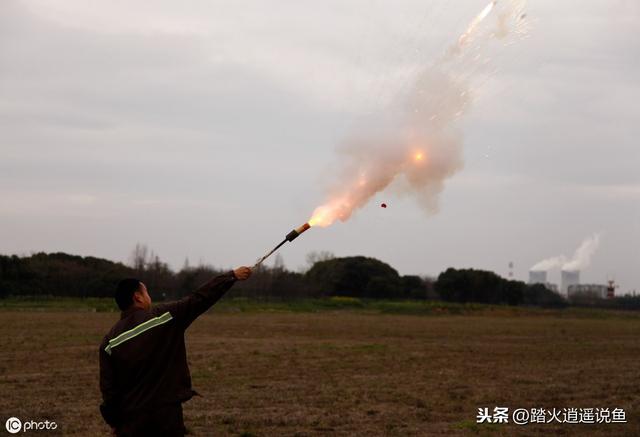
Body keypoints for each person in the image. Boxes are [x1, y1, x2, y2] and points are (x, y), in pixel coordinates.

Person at [99, 267, 252, 436]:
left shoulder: (109, 342)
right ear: (138, 297)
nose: (149, 297)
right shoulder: (164, 317)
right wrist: (231, 277)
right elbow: (199, 298)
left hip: (130, 425)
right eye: (146, 292)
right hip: (166, 419)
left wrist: (114, 421)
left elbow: (109, 391)